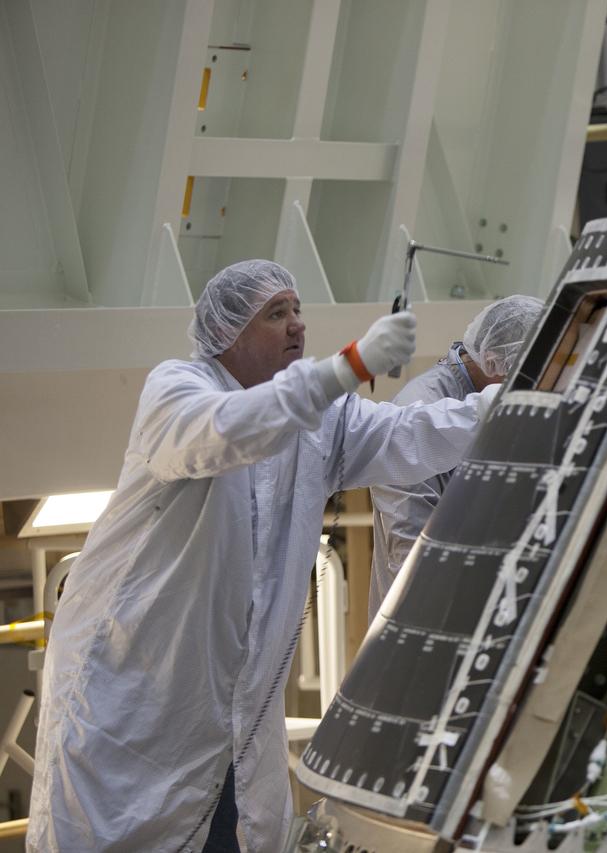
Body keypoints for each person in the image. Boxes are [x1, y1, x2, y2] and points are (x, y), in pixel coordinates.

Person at [27, 260, 499, 853]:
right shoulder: (177, 391)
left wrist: (507, 405)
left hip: (235, 714)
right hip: (135, 707)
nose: (296, 326)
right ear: (228, 335)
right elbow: (226, 432)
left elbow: (411, 434)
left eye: (298, 310)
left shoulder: (323, 419)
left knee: (233, 830)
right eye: (276, 314)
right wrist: (347, 367)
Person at [369, 295, 544, 621]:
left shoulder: (492, 399)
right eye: (522, 377)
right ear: (492, 361)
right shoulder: (418, 410)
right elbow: (409, 548)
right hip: (425, 614)